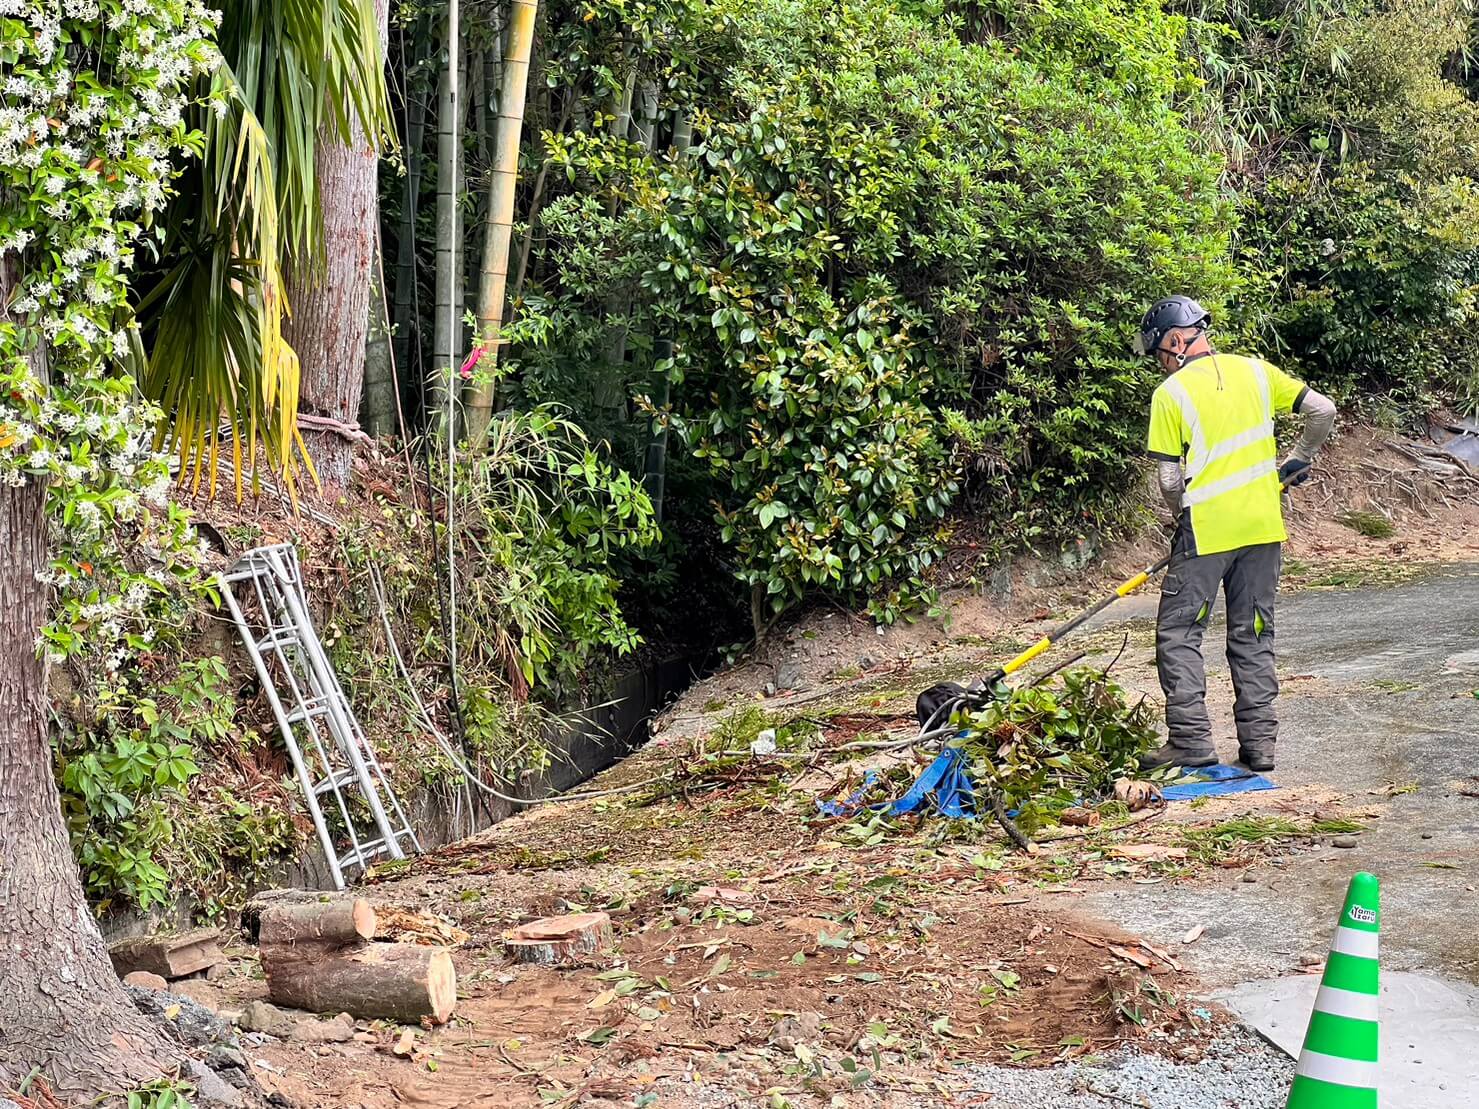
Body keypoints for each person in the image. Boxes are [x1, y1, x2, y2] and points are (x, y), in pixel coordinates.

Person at [1134, 296, 1336, 772]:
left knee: (1179, 633)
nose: (1161, 364)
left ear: (1176, 340)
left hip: (1206, 530)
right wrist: (1298, 459)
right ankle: (1260, 748)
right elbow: (1322, 410)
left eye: (1160, 352)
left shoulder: (1172, 392)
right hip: (1263, 526)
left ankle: (1190, 743)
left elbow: (1167, 480)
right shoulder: (1257, 371)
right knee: (1254, 633)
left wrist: (1180, 517)